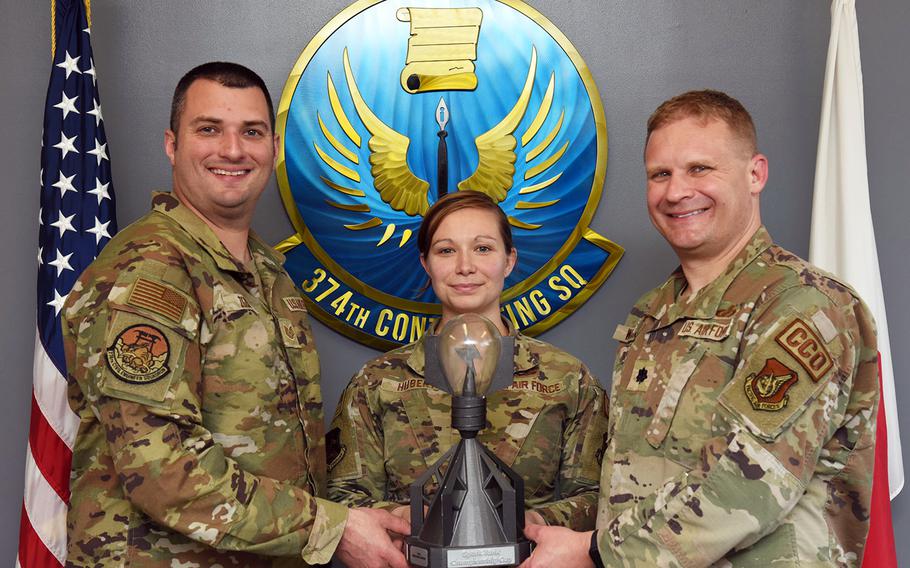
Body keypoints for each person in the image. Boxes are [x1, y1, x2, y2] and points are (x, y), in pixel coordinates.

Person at [62, 62, 408, 568]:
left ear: (272, 147)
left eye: (252, 131)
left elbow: (282, 451)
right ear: (171, 144)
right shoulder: (150, 271)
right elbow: (163, 469)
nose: (232, 150)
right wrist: (332, 528)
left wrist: (371, 515)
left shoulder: (268, 273)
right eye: (208, 129)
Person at [521, 90, 879, 567]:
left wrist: (595, 552)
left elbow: (747, 483)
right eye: (660, 174)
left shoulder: (804, 305)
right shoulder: (653, 315)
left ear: (755, 174)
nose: (675, 192)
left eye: (700, 169)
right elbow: (626, 483)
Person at [327, 190, 608, 530]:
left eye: (483, 248)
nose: (465, 267)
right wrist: (411, 518)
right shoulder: (377, 382)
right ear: (425, 263)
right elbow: (343, 496)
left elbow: (598, 497)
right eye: (446, 250)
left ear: (509, 260)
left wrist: (529, 522)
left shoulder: (566, 379)